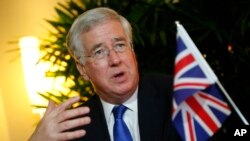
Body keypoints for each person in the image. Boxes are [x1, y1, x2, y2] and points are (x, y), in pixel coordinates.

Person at [28, 7, 180, 141]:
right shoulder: (72, 128)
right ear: (82, 69)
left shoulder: (179, 94)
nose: (115, 59)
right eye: (99, 52)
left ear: (132, 50)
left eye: (120, 45)